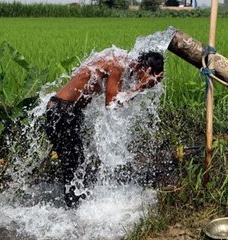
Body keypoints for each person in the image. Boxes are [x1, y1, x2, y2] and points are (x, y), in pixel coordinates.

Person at [45, 50, 164, 207]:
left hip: (69, 112)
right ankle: (71, 214)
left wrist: (139, 86)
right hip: (61, 112)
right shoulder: (118, 66)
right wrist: (140, 87)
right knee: (72, 166)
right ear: (146, 69)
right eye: (151, 77)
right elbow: (111, 105)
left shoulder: (124, 65)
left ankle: (74, 208)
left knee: (76, 164)